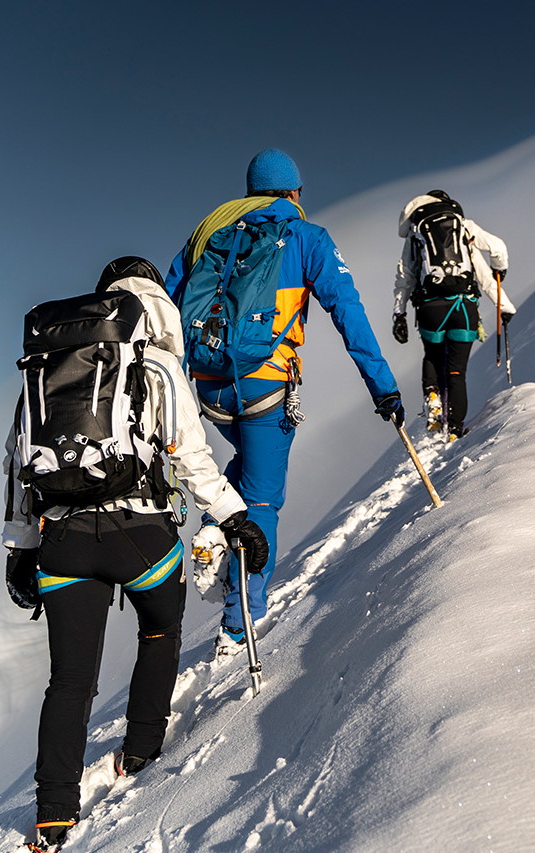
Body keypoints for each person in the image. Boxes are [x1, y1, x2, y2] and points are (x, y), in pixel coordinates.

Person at [3, 257, 269, 851]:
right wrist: (236, 518)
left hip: (63, 543)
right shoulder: (158, 365)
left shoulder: (44, 369)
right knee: (160, 630)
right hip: (141, 535)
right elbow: (191, 458)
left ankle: (52, 816)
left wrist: (21, 547)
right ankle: (143, 748)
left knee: (69, 680)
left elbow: (18, 465)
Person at [163, 148, 402, 650]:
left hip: (206, 388)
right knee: (264, 499)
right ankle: (238, 623)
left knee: (248, 466)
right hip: (265, 385)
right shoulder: (306, 237)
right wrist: (382, 387)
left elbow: (167, 306)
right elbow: (348, 311)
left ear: (251, 192)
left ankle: (213, 524)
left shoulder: (209, 235)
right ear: (294, 192)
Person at [391, 190, 515, 438]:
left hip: (430, 308)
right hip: (464, 307)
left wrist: (399, 314)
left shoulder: (416, 235)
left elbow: (405, 277)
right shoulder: (464, 228)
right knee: (457, 370)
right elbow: (492, 259)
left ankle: (433, 396)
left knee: (433, 356)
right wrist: (505, 305)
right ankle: (455, 428)